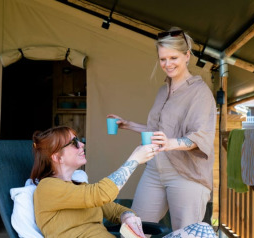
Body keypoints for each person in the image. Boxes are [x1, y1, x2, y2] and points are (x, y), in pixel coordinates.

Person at [107, 27, 217, 231]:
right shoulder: (163, 90)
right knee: (134, 228)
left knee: (185, 234)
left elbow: (201, 136)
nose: (167, 64)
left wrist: (170, 143)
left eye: (173, 57)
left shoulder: (200, 93)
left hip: (186, 174)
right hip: (155, 169)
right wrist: (127, 124)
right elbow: (158, 130)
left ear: (187, 55)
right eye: (162, 59)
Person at [30, 126, 160, 238]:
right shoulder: (47, 187)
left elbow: (114, 210)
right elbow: (101, 193)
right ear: (57, 157)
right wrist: (134, 160)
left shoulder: (80, 188)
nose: (82, 144)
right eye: (74, 142)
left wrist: (127, 216)